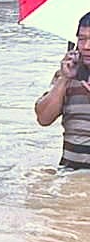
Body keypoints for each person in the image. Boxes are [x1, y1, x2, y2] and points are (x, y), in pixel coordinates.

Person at [35, 12, 90, 169]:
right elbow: (44, 119)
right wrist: (64, 79)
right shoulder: (68, 72)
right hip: (70, 174)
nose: (86, 47)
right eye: (82, 39)